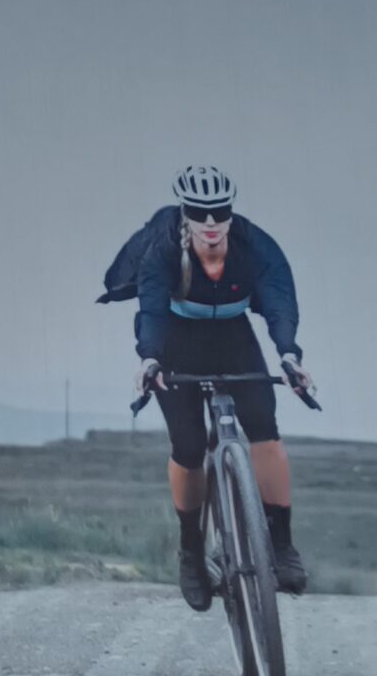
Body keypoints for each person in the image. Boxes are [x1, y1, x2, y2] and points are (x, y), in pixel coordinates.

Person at [134, 162, 313, 605]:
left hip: (234, 338)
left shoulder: (256, 247)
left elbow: (280, 302)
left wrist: (289, 355)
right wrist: (149, 359)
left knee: (265, 430)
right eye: (199, 212)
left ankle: (282, 544)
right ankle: (191, 551)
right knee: (189, 446)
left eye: (220, 211)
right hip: (178, 343)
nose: (211, 221)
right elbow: (151, 309)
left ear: (232, 213)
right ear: (186, 214)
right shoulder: (162, 251)